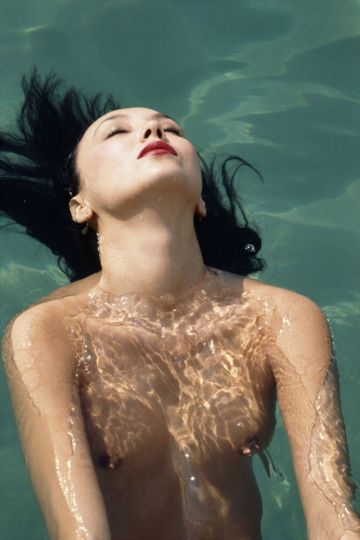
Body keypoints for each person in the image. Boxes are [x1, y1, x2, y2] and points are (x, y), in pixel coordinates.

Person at [1, 70, 359, 540]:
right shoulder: (46, 332)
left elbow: (334, 511)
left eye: (171, 129)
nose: (154, 132)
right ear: (80, 204)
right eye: (117, 131)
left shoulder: (282, 318)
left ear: (201, 201)